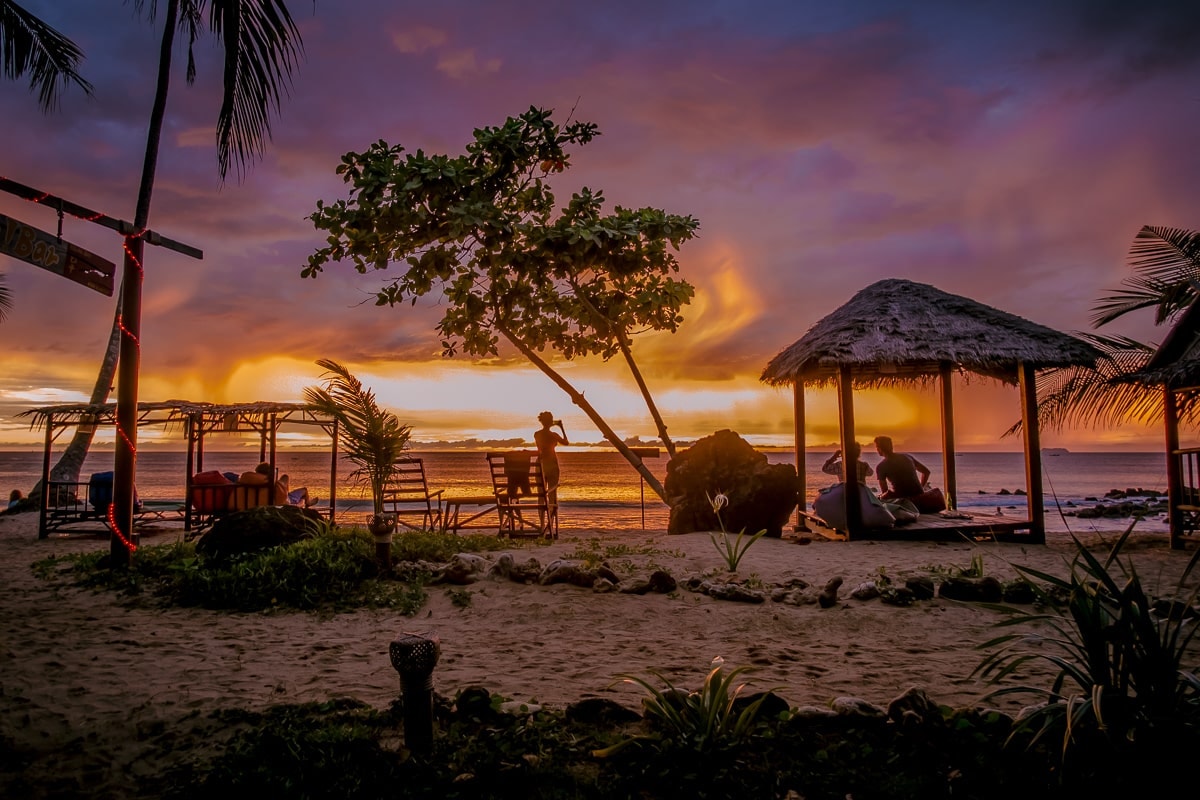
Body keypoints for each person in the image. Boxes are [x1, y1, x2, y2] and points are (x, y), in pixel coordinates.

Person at [872, 435, 930, 500]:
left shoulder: (881, 466)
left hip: (902, 498)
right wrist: (921, 488)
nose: (876, 449)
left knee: (877, 499)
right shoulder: (907, 457)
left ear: (880, 448)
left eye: (877, 447)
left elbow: (884, 492)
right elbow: (926, 472)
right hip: (918, 494)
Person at [534, 411, 568, 507]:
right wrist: (561, 427)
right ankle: (551, 519)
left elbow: (545, 433)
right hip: (552, 464)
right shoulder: (554, 435)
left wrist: (550, 424)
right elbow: (566, 442)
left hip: (540, 464)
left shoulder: (537, 434)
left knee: (541, 495)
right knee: (552, 494)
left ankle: (541, 520)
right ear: (551, 421)